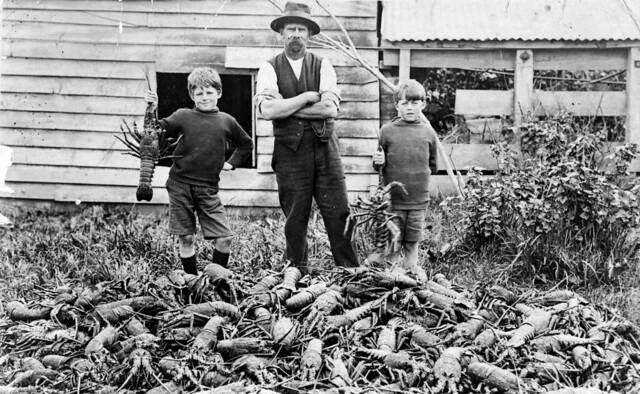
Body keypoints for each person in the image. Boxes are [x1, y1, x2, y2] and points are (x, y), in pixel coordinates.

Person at [254, 2, 359, 274]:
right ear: (281, 32)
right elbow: (267, 110)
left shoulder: (323, 65)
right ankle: (295, 275)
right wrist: (305, 97)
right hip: (289, 153)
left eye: (301, 29)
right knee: (295, 218)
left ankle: (349, 274)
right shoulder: (268, 68)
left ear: (309, 34)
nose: (296, 34)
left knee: (339, 214)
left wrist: (287, 107)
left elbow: (330, 108)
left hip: (325, 151)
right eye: (291, 29)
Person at [145, 67, 253, 275]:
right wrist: (152, 108)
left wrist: (230, 163)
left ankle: (217, 278)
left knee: (225, 237)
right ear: (192, 95)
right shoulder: (183, 116)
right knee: (186, 237)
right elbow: (153, 132)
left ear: (219, 93)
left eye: (209, 92)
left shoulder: (226, 121)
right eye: (199, 93)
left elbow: (246, 144)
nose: (205, 98)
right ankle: (191, 280)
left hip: (208, 188)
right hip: (180, 185)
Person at [372, 79, 438, 273]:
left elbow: (433, 166)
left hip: (418, 200)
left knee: (412, 242)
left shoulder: (428, 132)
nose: (410, 108)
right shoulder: (387, 131)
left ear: (423, 104)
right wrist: (379, 161)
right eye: (404, 103)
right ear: (396, 106)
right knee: (393, 241)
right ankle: (392, 277)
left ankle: (410, 277)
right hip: (393, 201)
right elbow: (378, 165)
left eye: (415, 103)